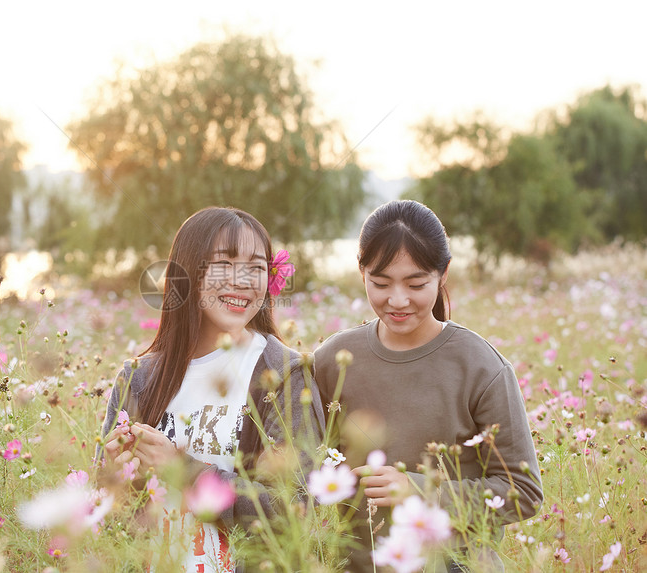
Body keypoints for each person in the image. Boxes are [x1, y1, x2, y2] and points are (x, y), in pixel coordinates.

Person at [314, 200, 543, 571]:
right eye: (381, 283)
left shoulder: (481, 366)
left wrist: (419, 490)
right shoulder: (334, 359)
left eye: (417, 283)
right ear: (361, 273)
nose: (398, 300)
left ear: (444, 273)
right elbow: (302, 464)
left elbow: (523, 492)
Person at [99, 206, 325, 572]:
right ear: (187, 274)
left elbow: (295, 510)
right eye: (224, 264)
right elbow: (108, 517)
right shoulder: (139, 378)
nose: (243, 280)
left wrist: (183, 469)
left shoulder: (282, 375)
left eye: (256, 267)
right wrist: (116, 477)